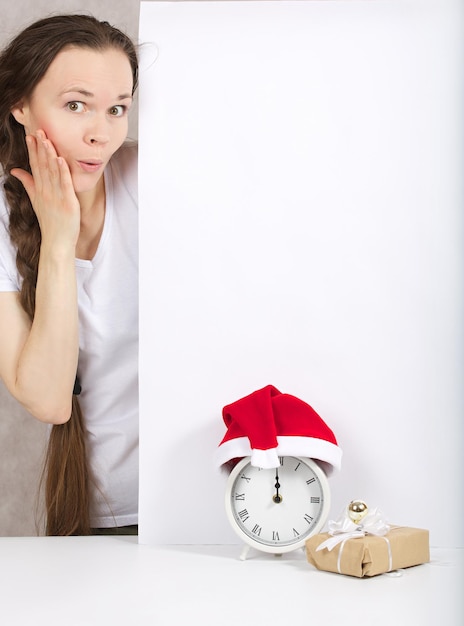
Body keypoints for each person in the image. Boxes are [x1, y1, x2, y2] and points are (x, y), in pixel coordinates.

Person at [0, 15, 139, 535]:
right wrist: (59, 240)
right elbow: (50, 399)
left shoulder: (154, 180)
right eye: (75, 105)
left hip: (209, 497)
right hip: (98, 513)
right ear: (20, 105)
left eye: (117, 109)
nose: (101, 134)